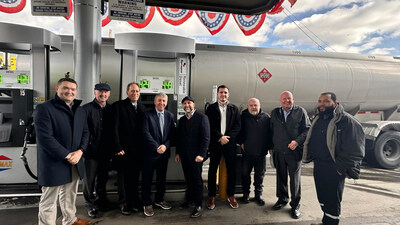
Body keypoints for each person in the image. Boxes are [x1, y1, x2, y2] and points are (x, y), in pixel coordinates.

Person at [35, 77, 90, 225]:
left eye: (73, 89)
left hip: (75, 160)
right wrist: (66, 155)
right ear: (57, 89)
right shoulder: (44, 108)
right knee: (49, 200)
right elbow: (45, 138)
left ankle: (70, 220)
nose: (69, 91)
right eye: (66, 88)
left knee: (69, 195)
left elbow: (86, 133)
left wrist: (80, 152)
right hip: (54, 162)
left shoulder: (80, 110)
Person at [303, 92, 365, 225]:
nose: (322, 104)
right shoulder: (319, 118)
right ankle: (326, 222)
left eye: (326, 101)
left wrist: (340, 168)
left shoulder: (346, 121)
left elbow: (355, 149)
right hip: (319, 165)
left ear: (335, 103)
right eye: (320, 101)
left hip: (334, 167)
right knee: (323, 197)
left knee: (332, 200)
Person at [270, 91, 310, 219]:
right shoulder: (275, 112)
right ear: (280, 101)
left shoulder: (300, 112)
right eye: (284, 99)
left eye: (289, 99)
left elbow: (307, 129)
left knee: (295, 180)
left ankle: (295, 205)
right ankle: (282, 200)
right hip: (279, 151)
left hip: (294, 152)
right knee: (280, 178)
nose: (287, 101)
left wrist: (297, 141)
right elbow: (271, 130)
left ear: (293, 99)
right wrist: (271, 147)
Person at [112, 82, 146, 215]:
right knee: (122, 178)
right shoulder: (118, 106)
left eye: (137, 91)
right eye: (132, 91)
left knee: (134, 177)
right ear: (127, 92)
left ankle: (134, 201)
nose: (135, 93)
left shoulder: (142, 107)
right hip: (123, 150)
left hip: (137, 151)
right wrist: (117, 146)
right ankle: (123, 203)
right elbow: (113, 128)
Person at [206, 85, 241, 210]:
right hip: (216, 144)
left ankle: (230, 195)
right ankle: (211, 196)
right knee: (212, 169)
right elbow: (209, 126)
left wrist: (227, 138)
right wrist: (220, 137)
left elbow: (237, 126)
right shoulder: (211, 108)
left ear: (228, 94)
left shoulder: (234, 109)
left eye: (225, 92)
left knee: (231, 170)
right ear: (217, 94)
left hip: (229, 145)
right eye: (221, 92)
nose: (223, 95)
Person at [175, 96, 210, 218]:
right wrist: (178, 153)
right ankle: (189, 200)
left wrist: (201, 154)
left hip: (196, 156)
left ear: (193, 104)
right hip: (185, 156)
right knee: (188, 179)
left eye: (189, 103)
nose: (186, 105)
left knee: (197, 181)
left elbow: (206, 138)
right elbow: (180, 138)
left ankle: (198, 204)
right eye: (184, 103)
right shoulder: (182, 120)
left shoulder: (202, 118)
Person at [141, 92, 176, 217]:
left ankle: (159, 200)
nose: (161, 103)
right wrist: (156, 147)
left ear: (166, 103)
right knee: (147, 179)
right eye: (159, 100)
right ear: (155, 102)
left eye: (164, 101)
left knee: (162, 179)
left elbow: (172, 134)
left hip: (164, 154)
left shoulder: (170, 116)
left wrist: (165, 146)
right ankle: (147, 203)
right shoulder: (147, 115)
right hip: (150, 153)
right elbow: (145, 133)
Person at [82, 83, 112, 218]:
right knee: (89, 180)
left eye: (106, 92)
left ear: (109, 94)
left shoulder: (111, 109)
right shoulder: (86, 109)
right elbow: (82, 131)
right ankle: (90, 204)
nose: (103, 94)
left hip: (106, 152)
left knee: (103, 178)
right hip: (90, 152)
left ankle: (101, 201)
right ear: (95, 92)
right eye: (100, 92)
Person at [238, 98, 272, 206]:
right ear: (248, 106)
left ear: (259, 105)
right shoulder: (243, 117)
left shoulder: (266, 117)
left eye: (255, 105)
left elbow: (270, 134)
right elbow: (239, 131)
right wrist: (241, 141)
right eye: (251, 105)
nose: (253, 107)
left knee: (260, 175)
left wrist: (270, 147)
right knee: (245, 174)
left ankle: (258, 195)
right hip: (247, 152)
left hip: (261, 153)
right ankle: (246, 194)